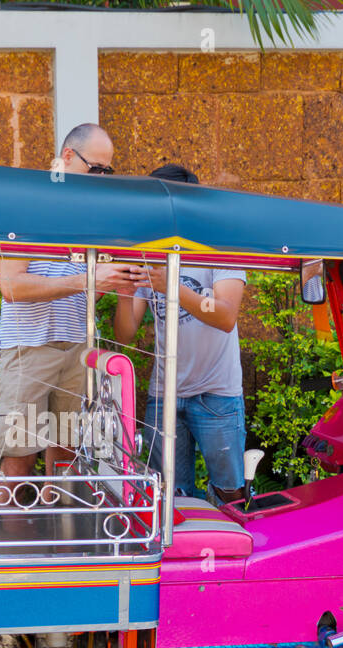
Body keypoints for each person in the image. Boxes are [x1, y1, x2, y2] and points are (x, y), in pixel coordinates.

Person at [0, 123, 138, 503]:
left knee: (66, 469)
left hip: (78, 351)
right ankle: (10, 560)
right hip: (30, 349)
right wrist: (88, 280)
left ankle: (61, 555)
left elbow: (92, 286)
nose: (103, 179)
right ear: (68, 157)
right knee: (17, 468)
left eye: (109, 171)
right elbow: (11, 287)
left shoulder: (95, 218)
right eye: (98, 169)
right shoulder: (26, 205)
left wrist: (120, 281)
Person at [114, 163, 248, 503]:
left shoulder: (220, 245)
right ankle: (176, 557)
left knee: (229, 492)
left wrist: (170, 284)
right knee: (166, 496)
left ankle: (230, 554)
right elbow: (125, 335)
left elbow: (225, 316)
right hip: (164, 395)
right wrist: (124, 287)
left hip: (217, 394)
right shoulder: (149, 252)